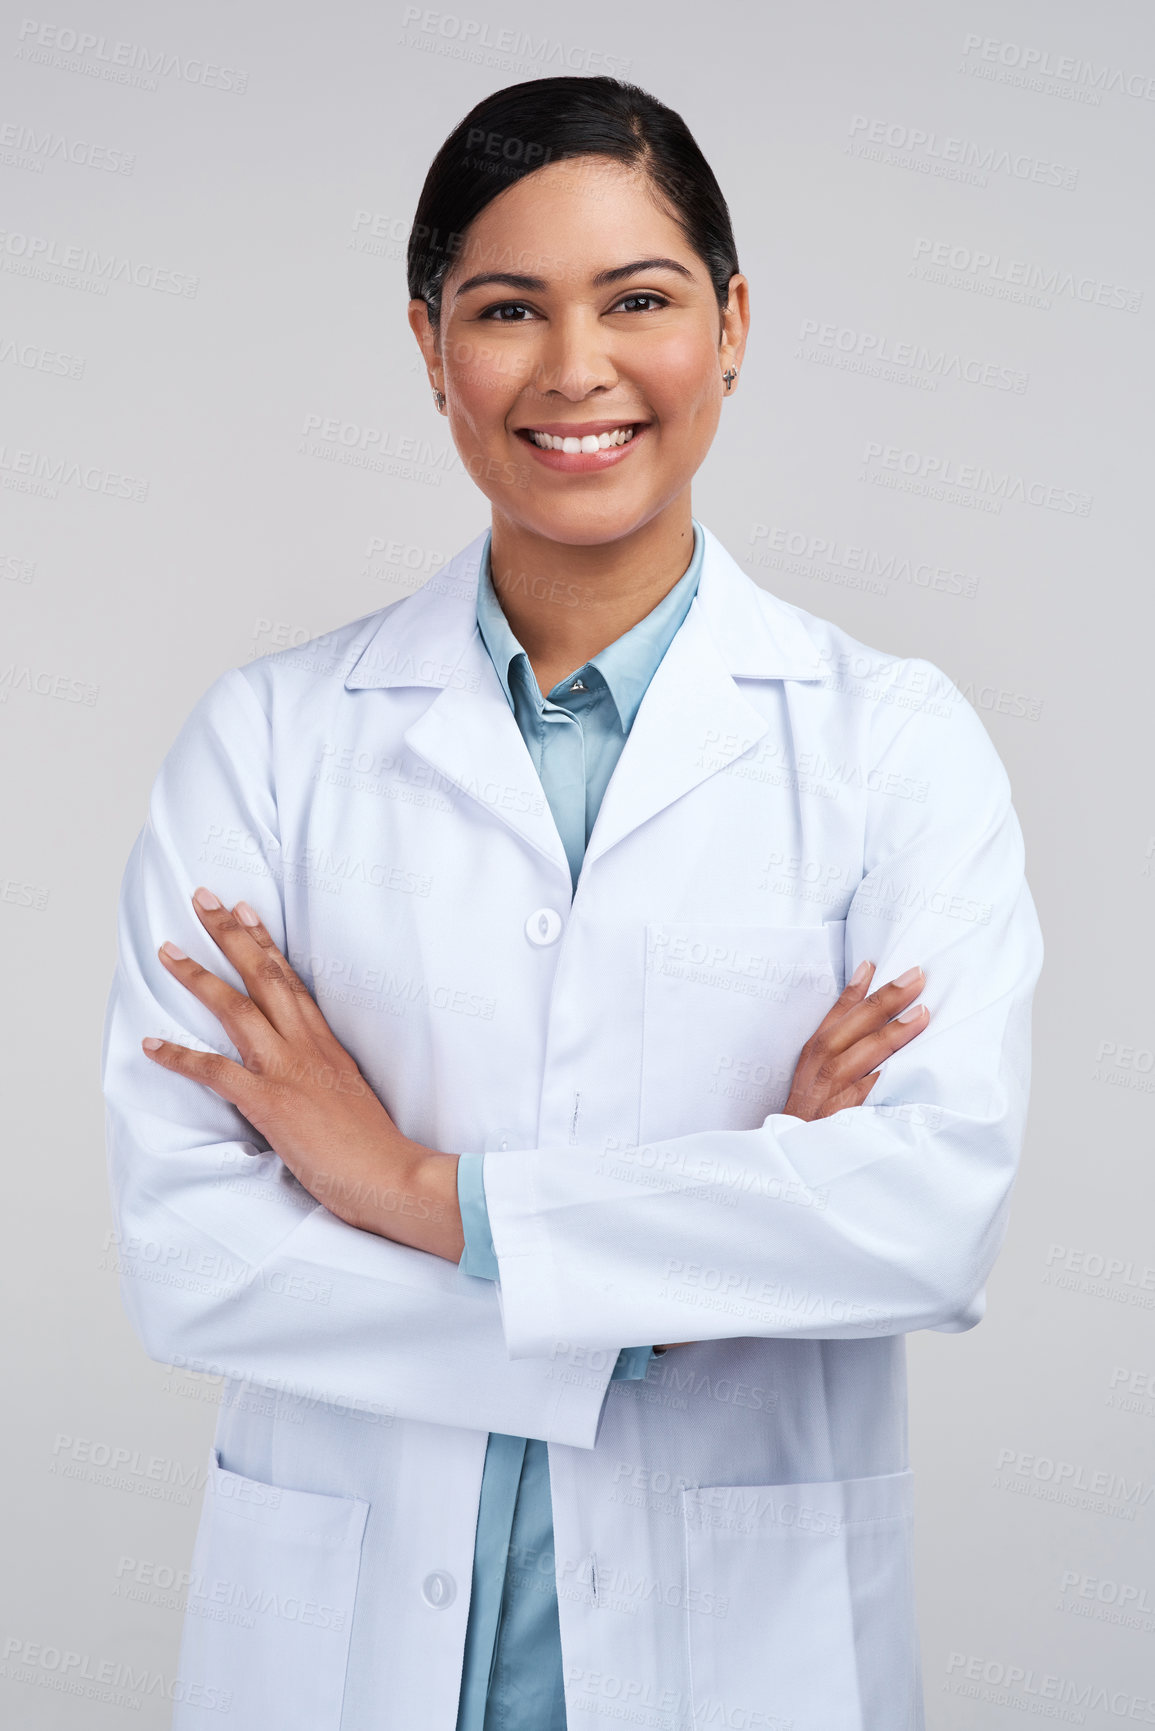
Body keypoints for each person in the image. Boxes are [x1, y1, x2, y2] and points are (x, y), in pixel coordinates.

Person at [102, 74, 1043, 1731]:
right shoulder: (269, 744)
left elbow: (922, 1213)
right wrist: (702, 1263)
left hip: (743, 1663)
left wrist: (411, 1190)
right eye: (507, 310)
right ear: (429, 345)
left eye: (641, 299)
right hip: (344, 1660)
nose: (576, 368)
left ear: (734, 324)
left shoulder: (890, 746)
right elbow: (194, 1251)